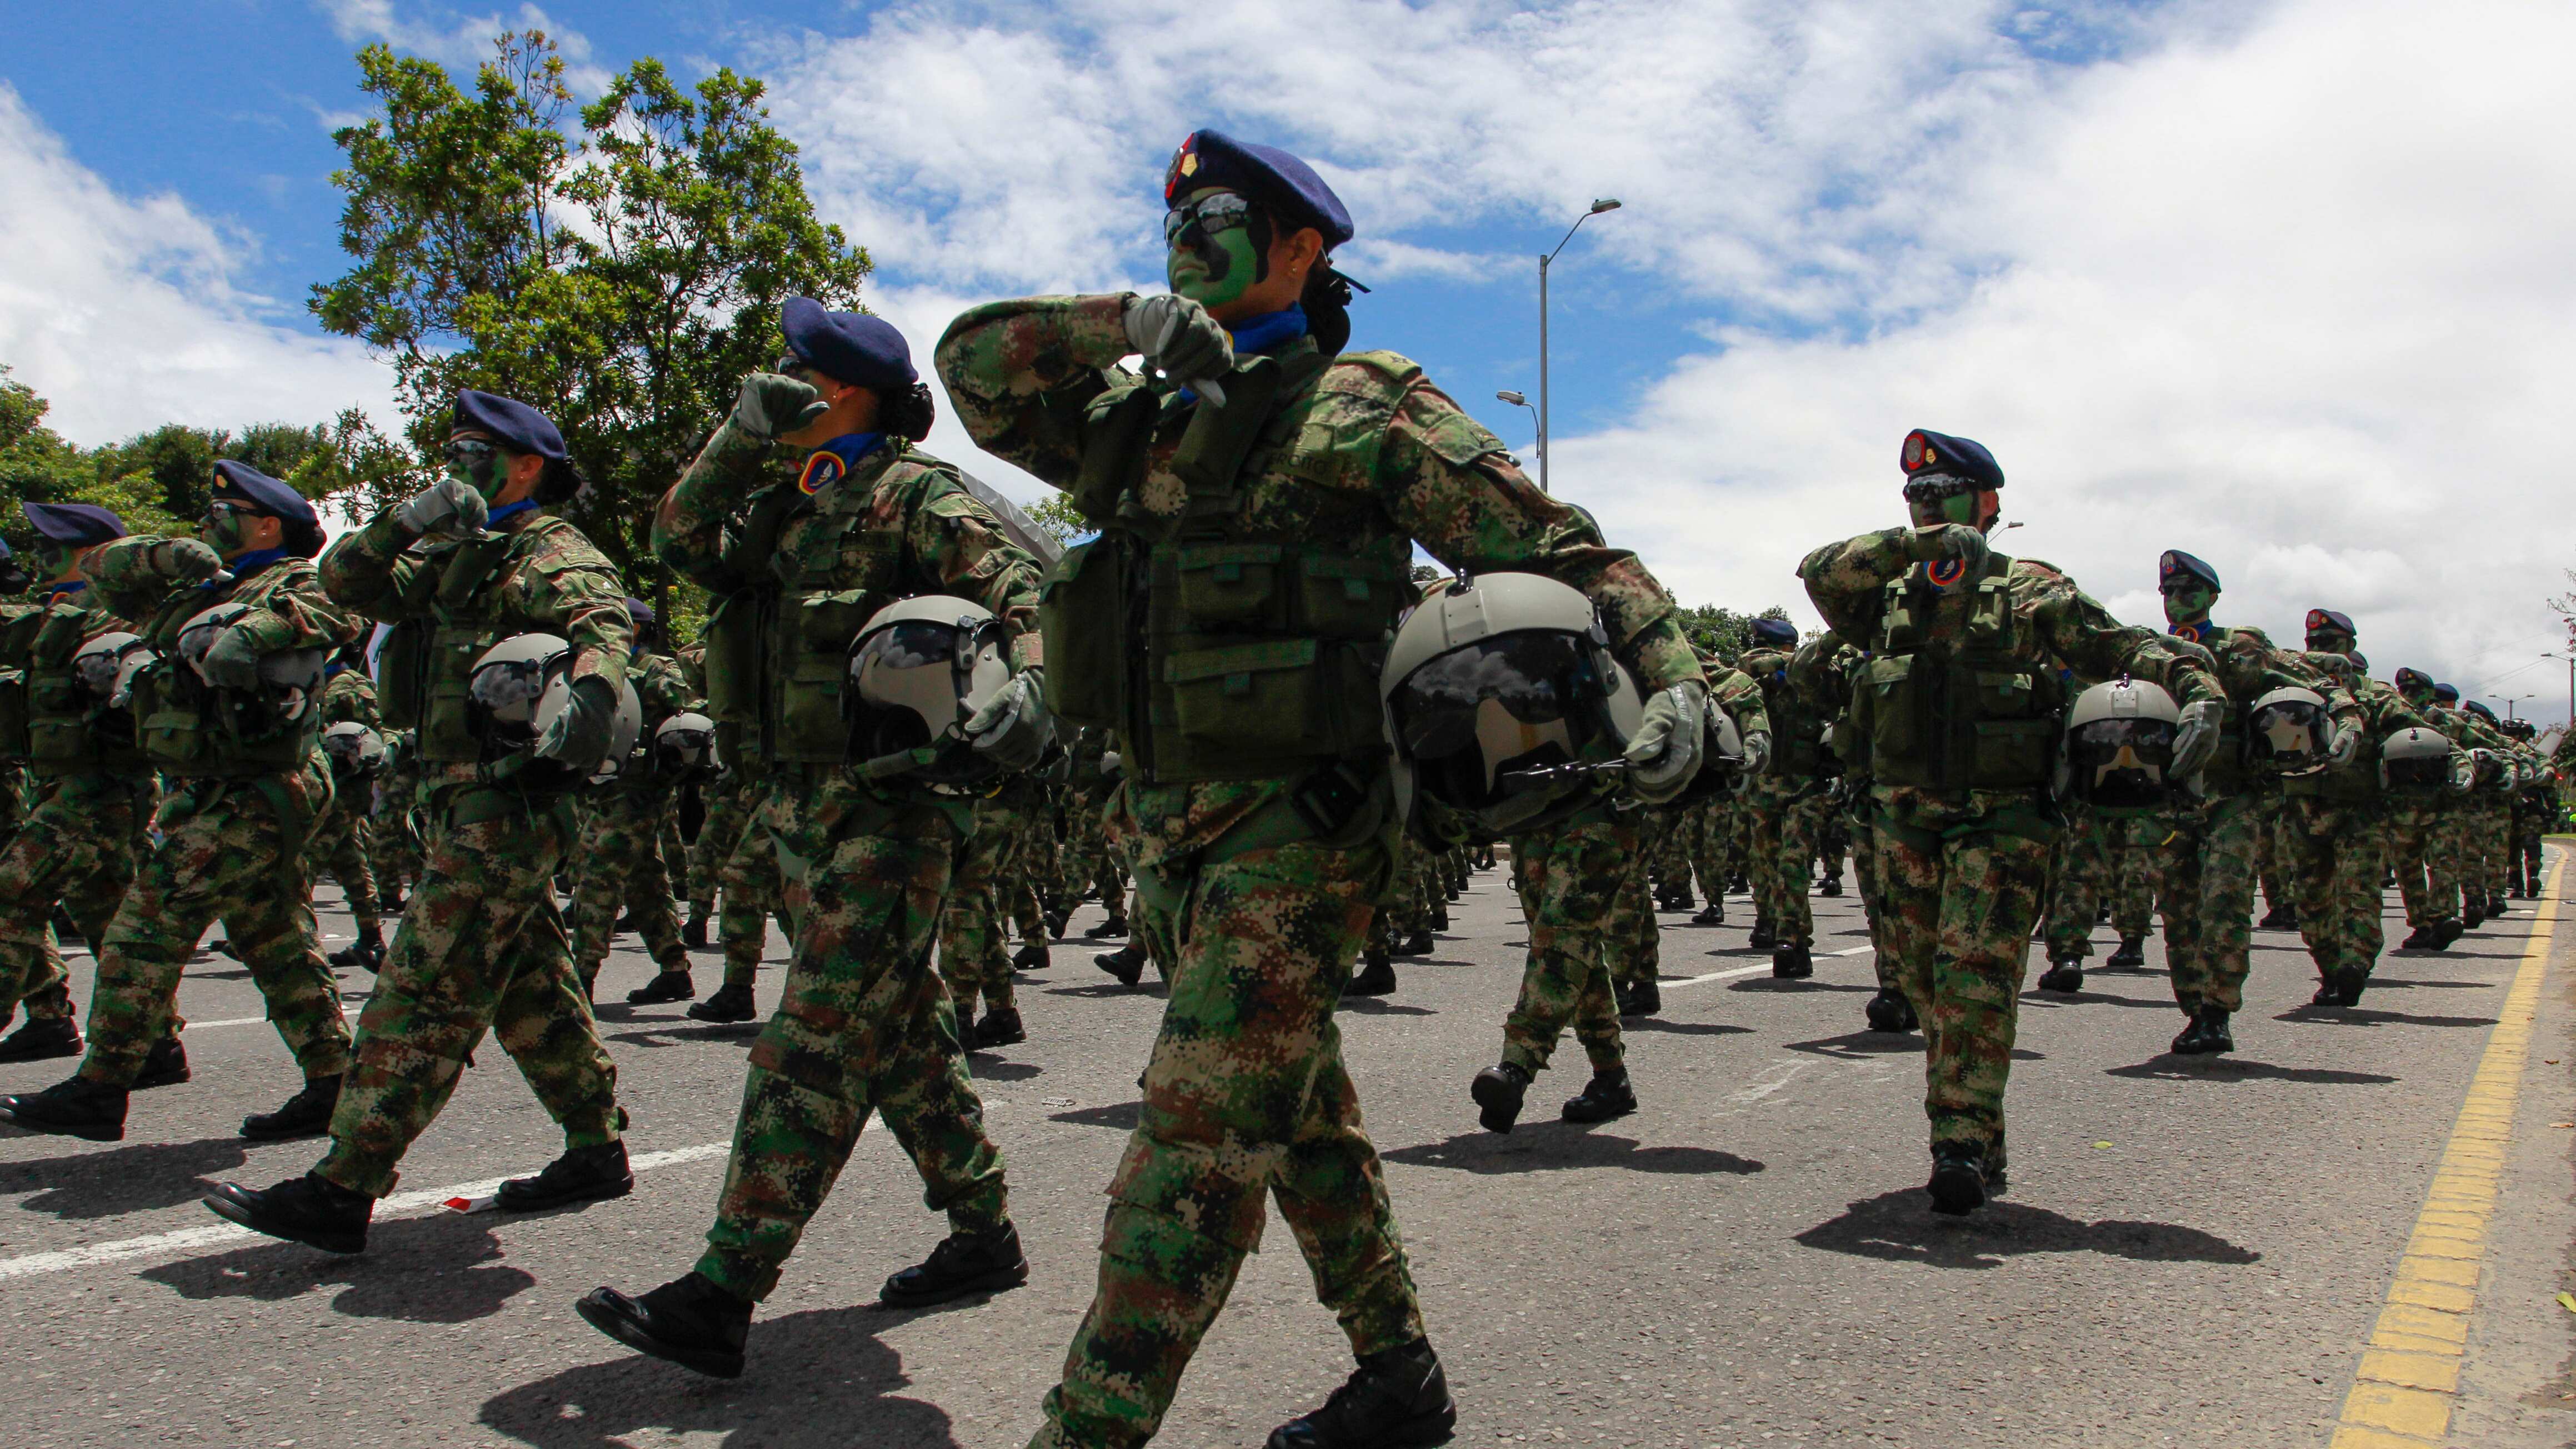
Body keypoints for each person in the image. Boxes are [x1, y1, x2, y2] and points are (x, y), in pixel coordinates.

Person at [937, 127, 1705, 1449]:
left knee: (1192, 1141)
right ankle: (1398, 1375)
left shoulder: (1361, 404)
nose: (1188, 237)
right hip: (1171, 824)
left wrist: (1683, 674)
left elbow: (1556, 543)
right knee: (1297, 1116)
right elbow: (972, 371)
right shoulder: (1136, 421)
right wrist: (1119, 321)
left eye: (1220, 217)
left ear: (1300, 248)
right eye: (1173, 223)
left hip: (1308, 827)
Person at [578, 299, 1047, 1380]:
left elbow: (1016, 585)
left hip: (892, 812)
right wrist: (735, 439)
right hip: (799, 812)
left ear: (839, 388)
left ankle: (723, 1285)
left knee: (817, 1036)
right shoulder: (779, 507)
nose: (771, 380)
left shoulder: (912, 495)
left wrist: (1029, 682)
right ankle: (984, 1233)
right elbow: (675, 542)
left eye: (788, 371)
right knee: (899, 1030)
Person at [197, 391, 636, 1251]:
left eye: (475, 456)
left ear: (526, 467)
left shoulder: (550, 552)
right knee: (531, 986)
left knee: (423, 987)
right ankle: (596, 1146)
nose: (457, 469)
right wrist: (407, 520)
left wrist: (591, 694)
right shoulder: (454, 554)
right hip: (457, 795)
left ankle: (343, 1184)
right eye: (453, 455)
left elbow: (603, 626)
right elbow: (345, 582)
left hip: (508, 799)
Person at [1799, 428, 2220, 1215]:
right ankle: (1978, 1132)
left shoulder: (2031, 590)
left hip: (2003, 819)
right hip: (1902, 817)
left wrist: (2199, 683)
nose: (1925, 505)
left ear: (1987, 503)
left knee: (1975, 975)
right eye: (1914, 496)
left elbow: (2119, 645)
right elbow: (1817, 573)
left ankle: (1956, 1141)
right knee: (1925, 983)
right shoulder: (1887, 591)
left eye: (1942, 494)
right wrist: (1905, 543)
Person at [1, 463, 362, 1144]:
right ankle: (332, 1079)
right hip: (212, 788)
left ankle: (102, 1086)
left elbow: (337, 611)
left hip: (259, 785)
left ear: (266, 524)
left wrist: (255, 631)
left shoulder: (292, 581)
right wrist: (163, 553)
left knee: (144, 928)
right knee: (274, 937)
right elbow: (103, 572)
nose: (208, 525)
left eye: (224, 515)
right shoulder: (194, 588)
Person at [2143, 549, 2359, 1055]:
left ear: (2211, 597)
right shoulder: (2151, 653)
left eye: (2188, 591)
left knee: (2223, 900)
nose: (2178, 600)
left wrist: (2346, 718)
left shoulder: (2241, 649)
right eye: (2169, 592)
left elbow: (2314, 681)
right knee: (2177, 908)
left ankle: (2216, 1011)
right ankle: (2193, 1006)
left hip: (2232, 797)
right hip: (2169, 800)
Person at [0, 503, 153, 1064]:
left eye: (53, 550)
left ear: (93, 556)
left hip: (97, 792)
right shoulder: (59, 612)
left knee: (10, 894)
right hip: (69, 788)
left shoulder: (115, 616)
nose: (41, 561)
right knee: (109, 921)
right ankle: (153, 1042)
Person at [576, 597, 698, 1005]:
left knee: (599, 879)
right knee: (645, 882)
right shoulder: (596, 667)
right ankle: (674, 969)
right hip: (606, 790)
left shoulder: (655, 670)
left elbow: (691, 710)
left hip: (639, 793)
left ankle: (581, 976)